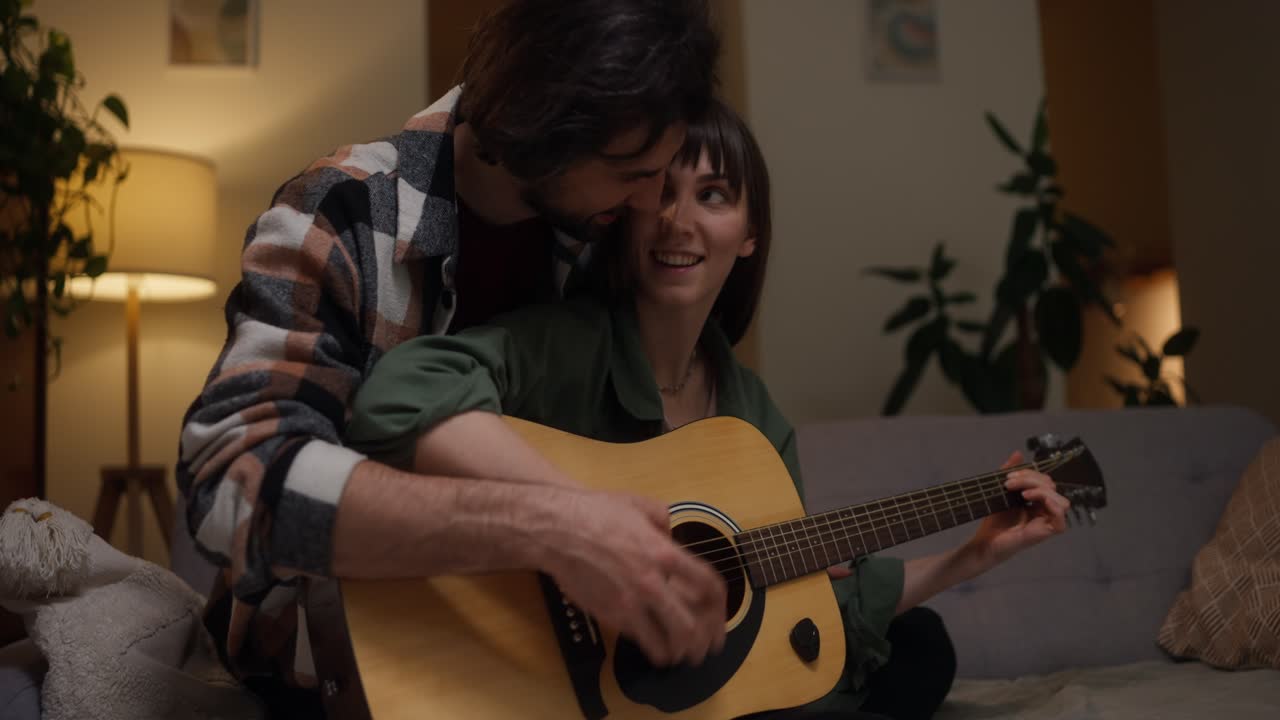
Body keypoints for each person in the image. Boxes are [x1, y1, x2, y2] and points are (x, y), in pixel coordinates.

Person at [345, 99, 1072, 720]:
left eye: (714, 196)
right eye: (660, 191)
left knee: (921, 647)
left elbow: (803, 616)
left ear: (749, 233)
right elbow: (402, 392)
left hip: (667, 685)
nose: (678, 221)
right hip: (518, 654)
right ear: (622, 214)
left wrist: (971, 556)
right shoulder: (566, 343)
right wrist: (580, 519)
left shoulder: (753, 415)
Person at [176, 1, 725, 714]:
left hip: (541, 677)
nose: (654, 202)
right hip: (334, 676)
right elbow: (233, 483)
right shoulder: (341, 211)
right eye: (632, 171)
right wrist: (549, 526)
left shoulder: (602, 237)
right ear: (544, 128)